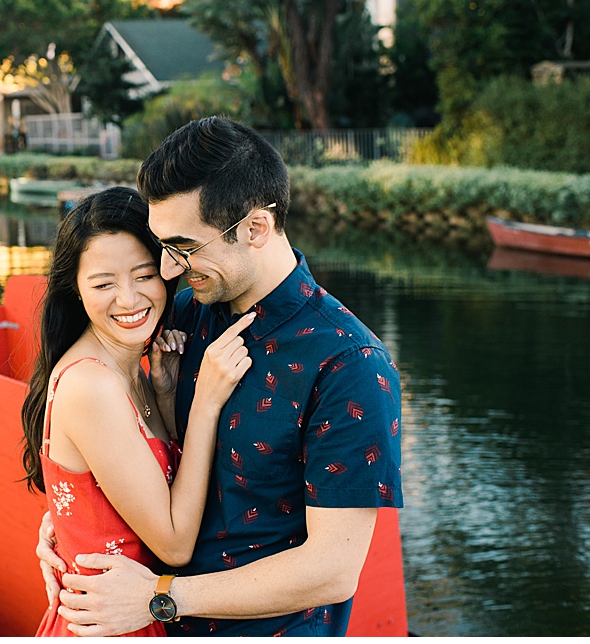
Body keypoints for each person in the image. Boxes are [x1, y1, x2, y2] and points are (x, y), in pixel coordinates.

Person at [36, 117, 404, 636]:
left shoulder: (349, 365)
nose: (165, 270)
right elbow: (125, 444)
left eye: (183, 247)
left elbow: (332, 570)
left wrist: (163, 599)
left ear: (255, 228)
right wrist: (73, 525)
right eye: (161, 246)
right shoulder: (188, 314)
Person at [20, 186, 257, 637]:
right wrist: (205, 401)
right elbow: (174, 543)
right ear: (76, 289)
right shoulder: (92, 385)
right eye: (104, 284)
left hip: (132, 613)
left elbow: (147, 481)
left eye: (144, 275)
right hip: (114, 624)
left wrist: (166, 395)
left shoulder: (130, 369)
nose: (129, 300)